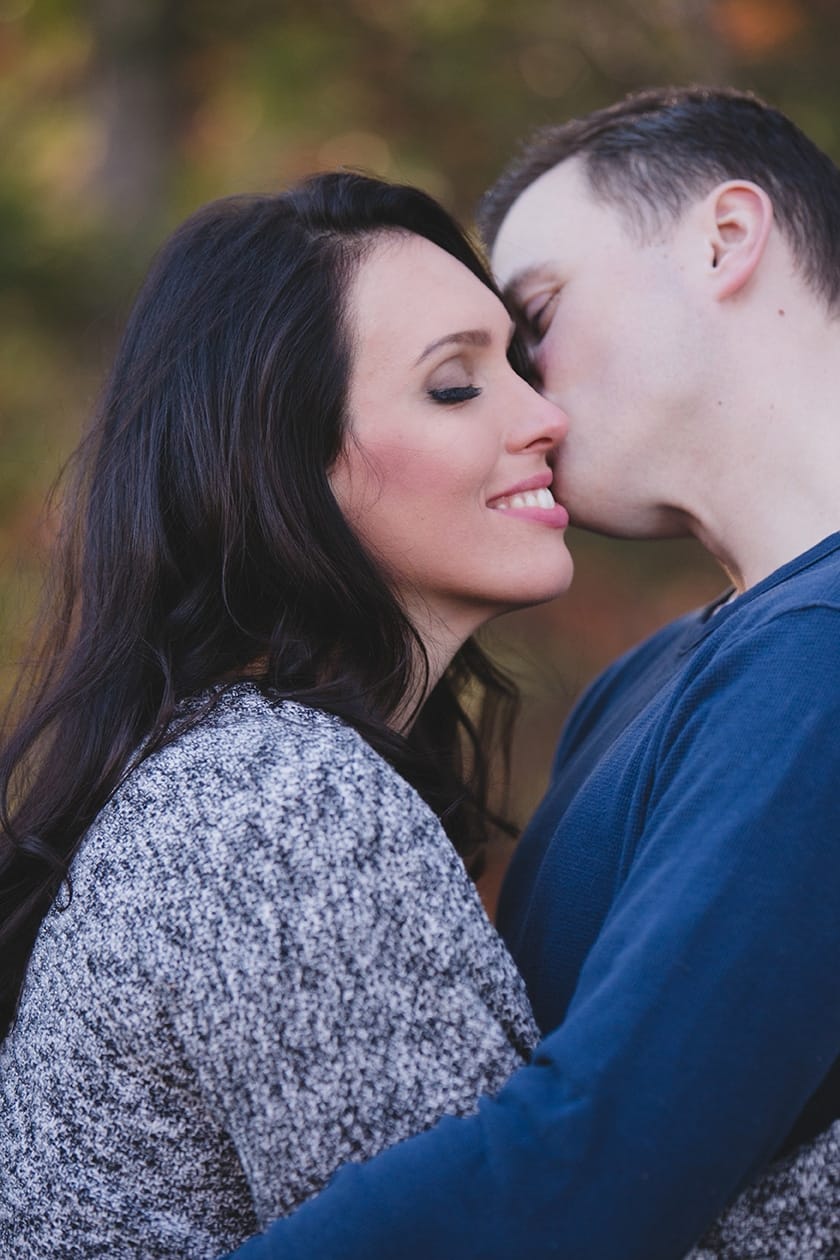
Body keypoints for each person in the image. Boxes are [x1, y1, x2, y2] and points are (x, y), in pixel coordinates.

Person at [221, 87, 840, 1260]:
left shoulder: (823, 658)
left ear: (725, 240)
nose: (530, 400)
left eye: (537, 319)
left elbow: (602, 1166)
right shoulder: (648, 683)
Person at [0, 172, 577, 1257]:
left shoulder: (233, 770)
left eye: (521, 366)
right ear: (285, 464)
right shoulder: (277, 810)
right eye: (456, 387)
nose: (546, 417)